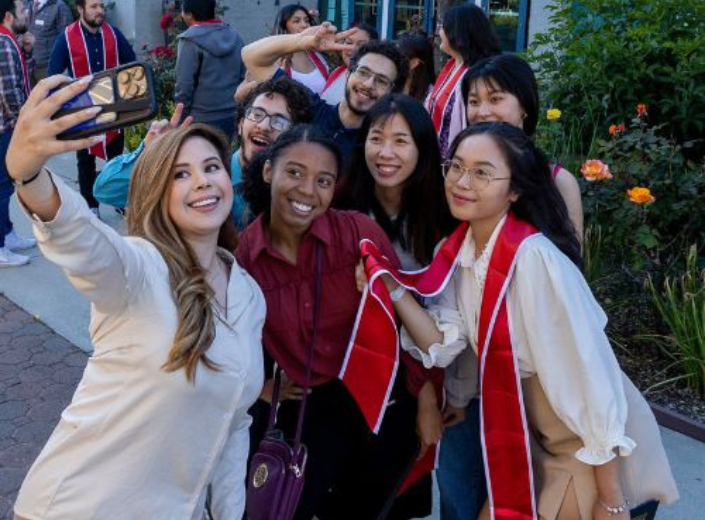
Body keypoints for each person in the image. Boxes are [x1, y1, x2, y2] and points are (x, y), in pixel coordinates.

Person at [360, 122, 679, 520]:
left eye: (482, 172)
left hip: (589, 445)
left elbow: (590, 376)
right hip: (535, 438)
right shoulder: (458, 250)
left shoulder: (533, 260)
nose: (462, 181)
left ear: (514, 190)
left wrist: (611, 498)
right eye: (456, 166)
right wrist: (389, 286)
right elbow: (442, 342)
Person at [9, 75, 266, 520]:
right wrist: (29, 175)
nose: (202, 182)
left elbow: (234, 420)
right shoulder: (139, 269)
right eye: (180, 174)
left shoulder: (248, 293)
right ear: (157, 194)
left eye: (211, 167)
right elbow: (80, 240)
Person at [237, 124, 433, 520]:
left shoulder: (357, 234)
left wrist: (426, 398)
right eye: (295, 172)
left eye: (323, 180)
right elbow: (225, 341)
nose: (308, 191)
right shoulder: (245, 260)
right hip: (308, 412)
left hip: (379, 405)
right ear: (268, 170)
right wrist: (256, 385)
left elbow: (404, 319)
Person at [337, 93, 457, 519]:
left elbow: (445, 317)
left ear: (423, 149)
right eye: (376, 138)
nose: (385, 153)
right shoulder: (343, 206)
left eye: (401, 141)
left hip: (421, 373)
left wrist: (426, 397)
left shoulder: (445, 216)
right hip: (355, 378)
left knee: (396, 499)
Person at [94, 76, 313, 230]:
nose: (264, 126)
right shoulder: (200, 174)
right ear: (240, 124)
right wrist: (153, 154)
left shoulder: (295, 196)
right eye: (257, 114)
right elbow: (106, 191)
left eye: (278, 122)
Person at [242, 22, 409, 162]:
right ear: (349, 73)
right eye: (363, 72)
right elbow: (251, 56)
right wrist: (301, 42)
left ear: (392, 91)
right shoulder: (309, 107)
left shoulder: (378, 149)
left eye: (381, 81)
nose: (368, 84)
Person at [462, 53, 584, 240]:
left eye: (495, 99)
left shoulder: (559, 182)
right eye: (473, 102)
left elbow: (571, 261)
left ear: (524, 107)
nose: (482, 112)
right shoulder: (460, 176)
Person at [47, 0, 136, 218]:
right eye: (94, 6)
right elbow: (53, 74)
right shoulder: (66, 38)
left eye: (101, 7)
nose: (99, 11)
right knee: (85, 158)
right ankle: (90, 204)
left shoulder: (113, 34)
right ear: (80, 9)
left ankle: (117, 199)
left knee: (116, 157)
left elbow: (132, 64)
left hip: (114, 108)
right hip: (83, 110)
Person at [425, 4, 500, 159]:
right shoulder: (451, 65)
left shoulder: (479, 76)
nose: (439, 33)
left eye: (442, 27)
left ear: (457, 32)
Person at [175, 0, 246, 142]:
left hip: (201, 118)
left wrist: (182, 119)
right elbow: (243, 74)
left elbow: (184, 84)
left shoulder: (189, 40)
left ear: (189, 14)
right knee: (224, 161)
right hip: (231, 114)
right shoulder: (234, 35)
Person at [0, 0, 36, 267]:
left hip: (6, 126)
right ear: (9, 15)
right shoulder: (3, 42)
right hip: (4, 127)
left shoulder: (10, 40)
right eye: (23, 11)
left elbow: (19, 76)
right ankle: (1, 247)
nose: (27, 15)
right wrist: (23, 121)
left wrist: (27, 51)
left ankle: (8, 234)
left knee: (5, 185)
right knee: (1, 188)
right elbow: (10, 91)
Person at [272, 3, 330, 94]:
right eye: (296, 21)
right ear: (284, 27)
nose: (304, 25)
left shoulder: (319, 57)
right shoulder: (276, 60)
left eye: (306, 20)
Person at [320, 22, 377, 105]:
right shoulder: (338, 71)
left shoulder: (370, 85)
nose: (353, 48)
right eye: (349, 42)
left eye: (361, 45)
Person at [25, 0, 73, 85]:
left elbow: (68, 39)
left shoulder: (59, 7)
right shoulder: (28, 5)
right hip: (29, 67)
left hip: (48, 69)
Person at [396, 32, 436, 104]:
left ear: (415, 63)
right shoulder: (393, 83)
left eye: (400, 56)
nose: (396, 58)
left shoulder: (431, 96)